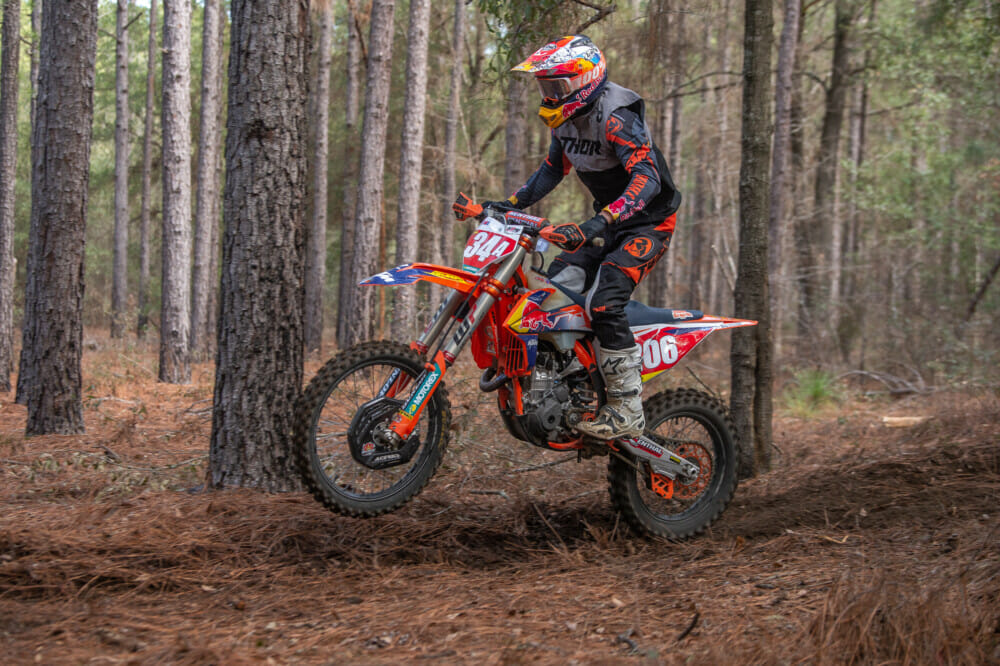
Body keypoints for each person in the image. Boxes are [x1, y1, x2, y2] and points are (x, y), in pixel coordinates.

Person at [488, 35, 681, 440]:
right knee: (553, 290)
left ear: (584, 80)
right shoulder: (566, 121)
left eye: (556, 85)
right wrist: (510, 204)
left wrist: (601, 220)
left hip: (648, 224)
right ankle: (575, 382)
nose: (550, 94)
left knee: (605, 300)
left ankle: (627, 408)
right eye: (545, 87)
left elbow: (647, 179)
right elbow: (551, 170)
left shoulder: (616, 117)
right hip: (608, 222)